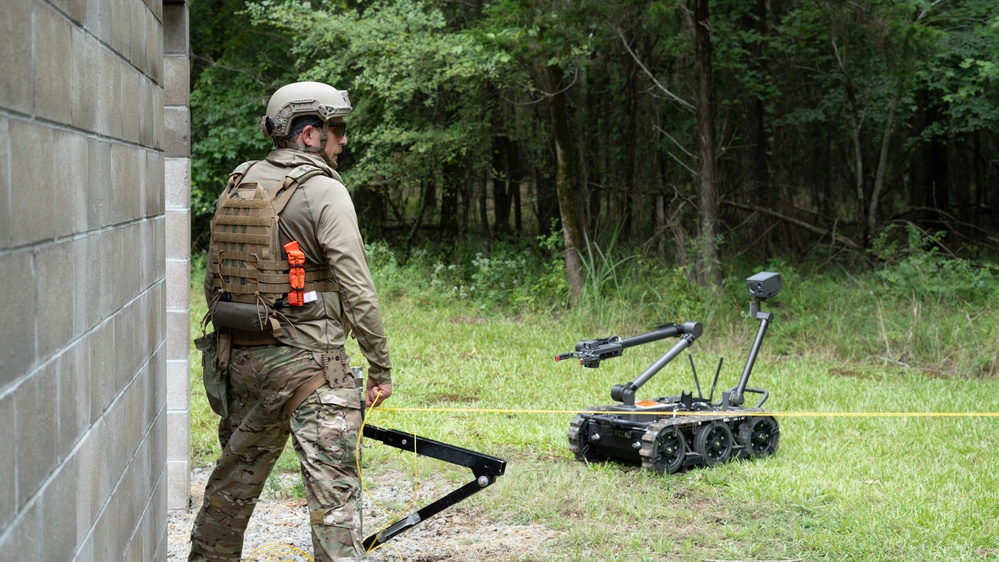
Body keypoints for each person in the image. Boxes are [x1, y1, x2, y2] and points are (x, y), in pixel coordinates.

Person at [189, 81, 393, 562]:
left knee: (231, 489)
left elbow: (215, 276)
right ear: (308, 134)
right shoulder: (325, 190)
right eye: (336, 129)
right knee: (334, 504)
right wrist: (379, 366)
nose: (343, 140)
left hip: (240, 360)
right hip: (313, 368)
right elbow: (357, 287)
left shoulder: (239, 181)